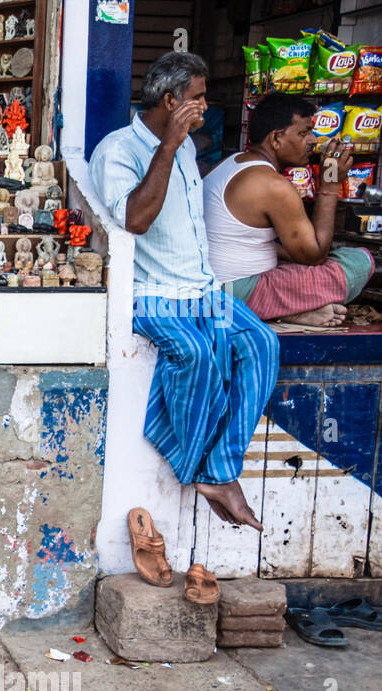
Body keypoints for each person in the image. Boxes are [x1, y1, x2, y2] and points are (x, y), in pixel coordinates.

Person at [90, 51, 278, 530]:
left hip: (201, 290)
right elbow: (135, 218)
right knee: (193, 353)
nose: (205, 106)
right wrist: (168, 145)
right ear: (170, 101)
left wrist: (178, 143)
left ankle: (218, 470)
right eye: (196, 98)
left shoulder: (189, 147)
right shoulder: (118, 151)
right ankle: (200, 466)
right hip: (151, 294)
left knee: (262, 343)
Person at [203, 92, 375, 327]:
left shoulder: (229, 163)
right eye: (304, 133)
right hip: (234, 294)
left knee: (294, 259)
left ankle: (290, 310)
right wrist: (330, 184)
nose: (313, 141)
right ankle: (288, 310)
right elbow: (315, 255)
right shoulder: (272, 185)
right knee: (358, 262)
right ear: (275, 139)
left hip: (213, 287)